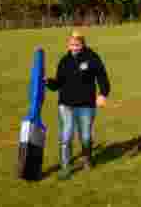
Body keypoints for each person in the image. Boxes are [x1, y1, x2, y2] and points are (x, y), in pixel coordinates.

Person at [45, 31, 110, 180]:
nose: (73, 48)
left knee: (85, 136)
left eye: (77, 45)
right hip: (66, 105)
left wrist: (103, 94)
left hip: (86, 105)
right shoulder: (64, 61)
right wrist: (48, 82)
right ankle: (65, 167)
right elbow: (59, 83)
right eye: (71, 45)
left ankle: (87, 158)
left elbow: (102, 76)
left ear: (83, 44)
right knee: (66, 137)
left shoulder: (92, 57)